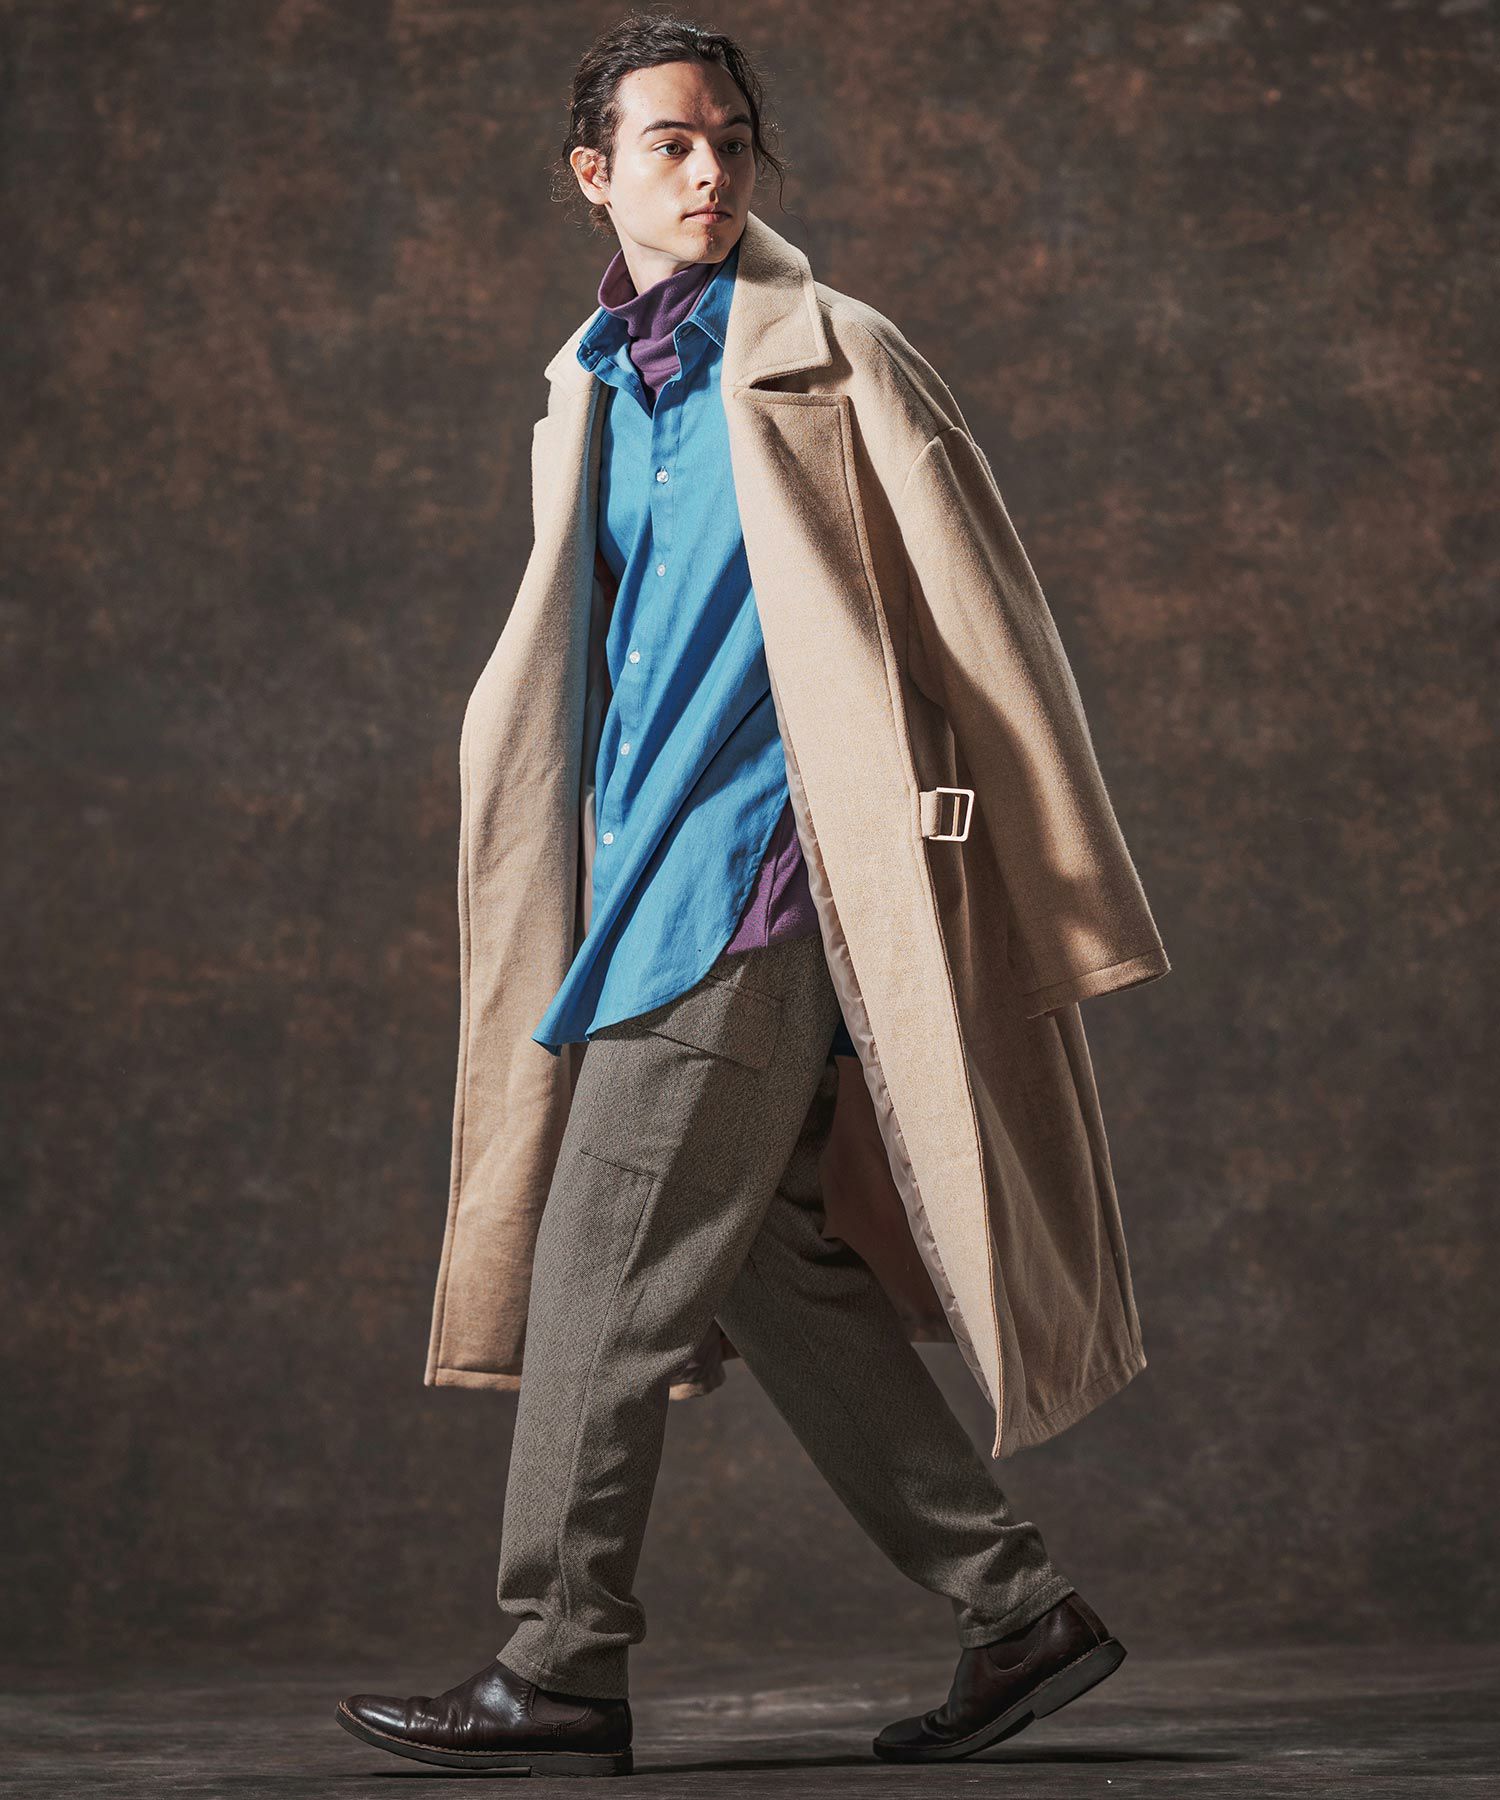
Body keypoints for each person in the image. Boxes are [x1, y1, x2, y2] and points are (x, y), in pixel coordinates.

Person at [338, 12, 1166, 1779]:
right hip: (637, 877)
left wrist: (1028, 871)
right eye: (669, 144)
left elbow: (990, 620)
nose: (709, 169)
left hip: (765, 882)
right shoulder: (591, 384)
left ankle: (559, 1659)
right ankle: (1017, 1610)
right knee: (777, 1270)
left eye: (728, 138)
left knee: (597, 1270)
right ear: (596, 175)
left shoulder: (836, 353)